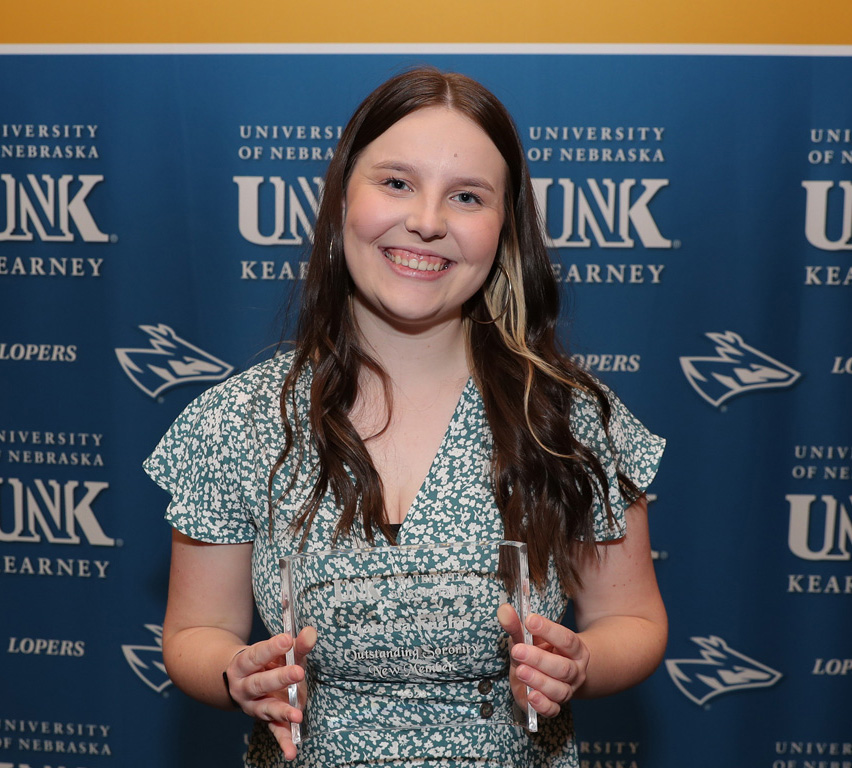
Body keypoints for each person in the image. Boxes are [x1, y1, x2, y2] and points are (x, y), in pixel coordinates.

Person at [144, 67, 667, 768]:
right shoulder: (238, 420)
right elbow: (196, 630)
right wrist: (234, 674)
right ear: (342, 198)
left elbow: (631, 619)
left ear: (505, 229)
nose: (427, 220)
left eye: (467, 196)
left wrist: (581, 664)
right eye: (396, 182)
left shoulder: (567, 416)